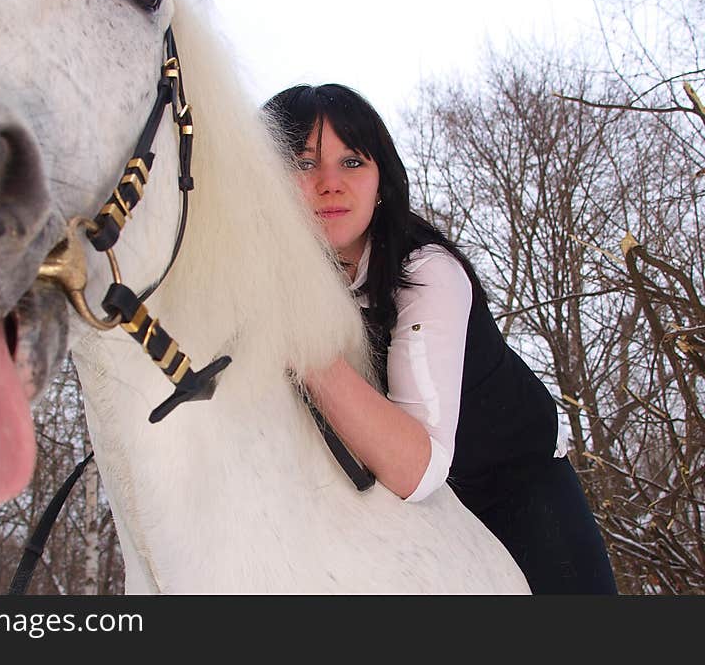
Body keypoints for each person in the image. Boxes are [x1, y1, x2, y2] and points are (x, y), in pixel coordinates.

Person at [263, 83, 617, 595]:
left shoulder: (427, 272)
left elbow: (419, 464)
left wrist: (305, 347)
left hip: (510, 492)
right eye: (303, 163)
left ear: (382, 178)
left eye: (353, 163)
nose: (330, 184)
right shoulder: (267, 273)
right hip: (380, 506)